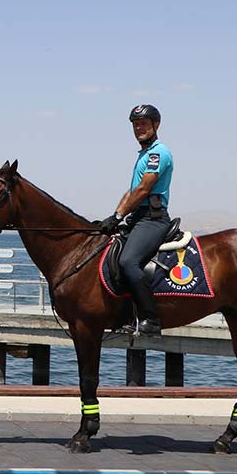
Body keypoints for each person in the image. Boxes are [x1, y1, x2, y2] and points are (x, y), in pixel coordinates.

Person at [97, 104, 173, 337]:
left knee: (129, 262)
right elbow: (131, 193)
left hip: (153, 219)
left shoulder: (158, 153)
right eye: (135, 124)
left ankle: (151, 319)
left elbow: (142, 190)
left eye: (144, 123)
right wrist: (113, 217)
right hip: (138, 217)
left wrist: (119, 216)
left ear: (156, 125)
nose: (139, 128)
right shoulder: (143, 155)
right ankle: (126, 314)